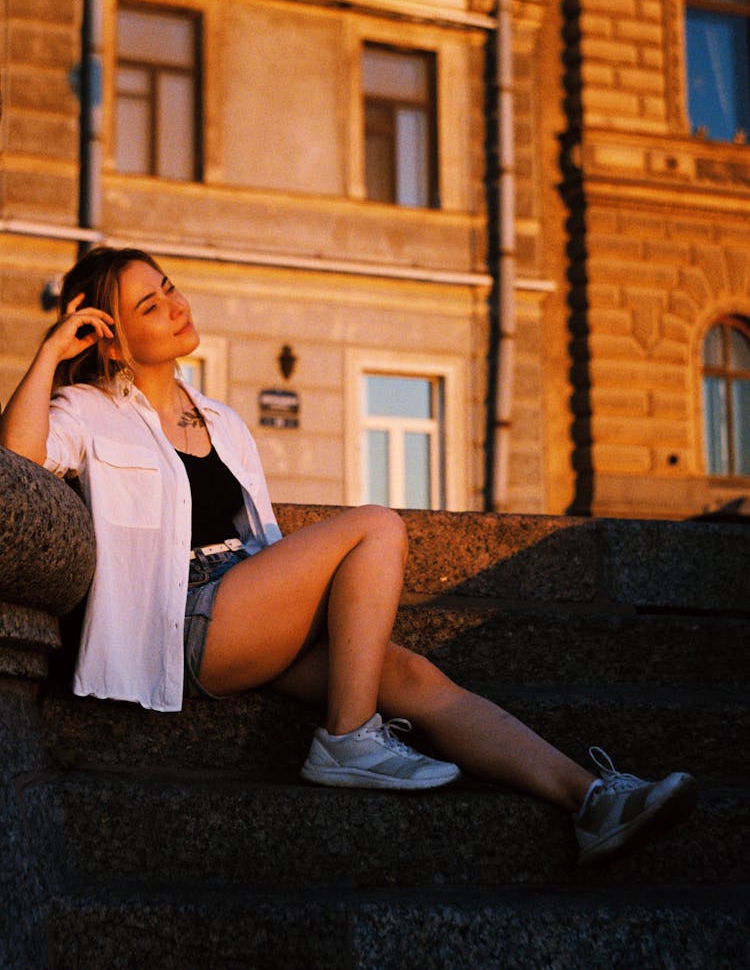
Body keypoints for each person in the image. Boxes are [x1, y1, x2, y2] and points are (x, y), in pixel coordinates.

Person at [0, 246, 697, 866]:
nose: (175, 304)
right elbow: (19, 462)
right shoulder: (88, 408)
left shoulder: (222, 420)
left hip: (249, 603)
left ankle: (592, 797)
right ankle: (346, 739)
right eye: (149, 304)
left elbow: (262, 539)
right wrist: (51, 351)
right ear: (115, 341)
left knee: (410, 673)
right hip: (181, 618)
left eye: (171, 286)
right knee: (375, 526)